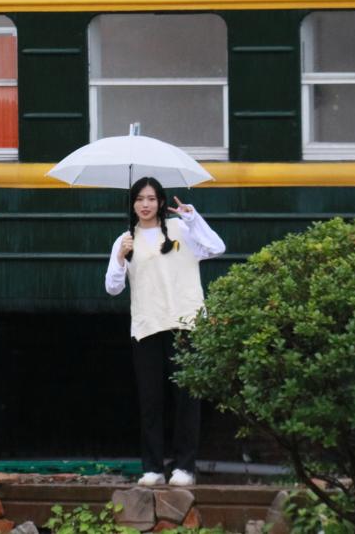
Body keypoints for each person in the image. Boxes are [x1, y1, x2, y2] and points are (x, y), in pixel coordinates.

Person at [105, 176, 226, 487]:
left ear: (160, 202)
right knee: (150, 400)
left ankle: (185, 467)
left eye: (151, 198)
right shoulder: (125, 240)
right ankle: (153, 468)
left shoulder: (180, 228)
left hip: (185, 322)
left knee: (186, 398)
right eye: (139, 199)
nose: (145, 205)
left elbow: (216, 247)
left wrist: (193, 218)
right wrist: (120, 258)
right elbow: (113, 288)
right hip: (147, 326)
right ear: (132, 204)